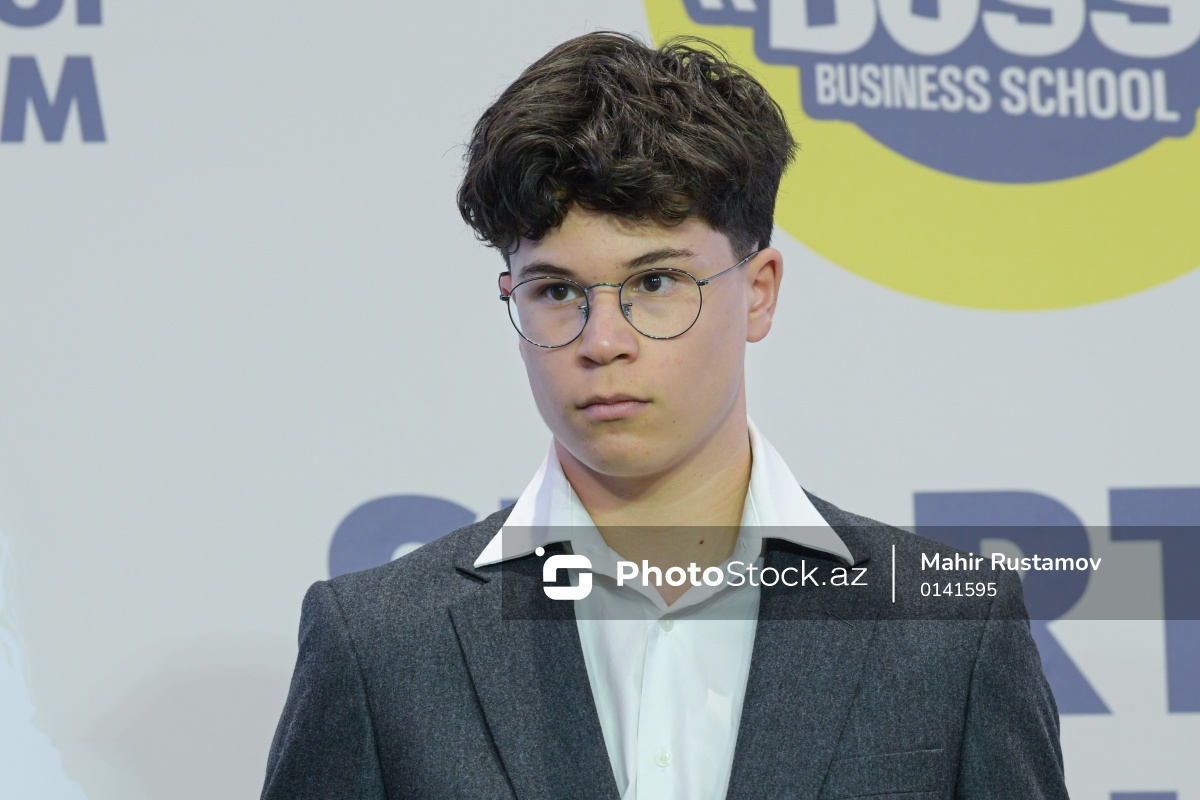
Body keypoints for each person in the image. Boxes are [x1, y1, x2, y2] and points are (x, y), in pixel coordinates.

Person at [261, 32, 1068, 799]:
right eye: (556, 291)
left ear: (760, 292)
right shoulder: (379, 643)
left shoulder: (949, 627)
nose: (602, 341)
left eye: (654, 283)